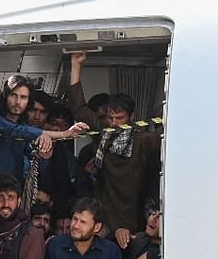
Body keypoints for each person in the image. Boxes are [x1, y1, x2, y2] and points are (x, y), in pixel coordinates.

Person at [66, 51, 161, 244]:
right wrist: (76, 66)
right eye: (110, 118)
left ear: (131, 117)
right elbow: (79, 108)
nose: (114, 123)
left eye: (120, 118)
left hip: (135, 216)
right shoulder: (104, 133)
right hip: (107, 219)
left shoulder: (144, 140)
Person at [0, 75, 87, 217]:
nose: (18, 102)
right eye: (14, 95)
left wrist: (44, 154)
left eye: (23, 98)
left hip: (11, 196)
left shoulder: (27, 130)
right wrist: (65, 134)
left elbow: (34, 164)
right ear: (6, 96)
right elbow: (15, 130)